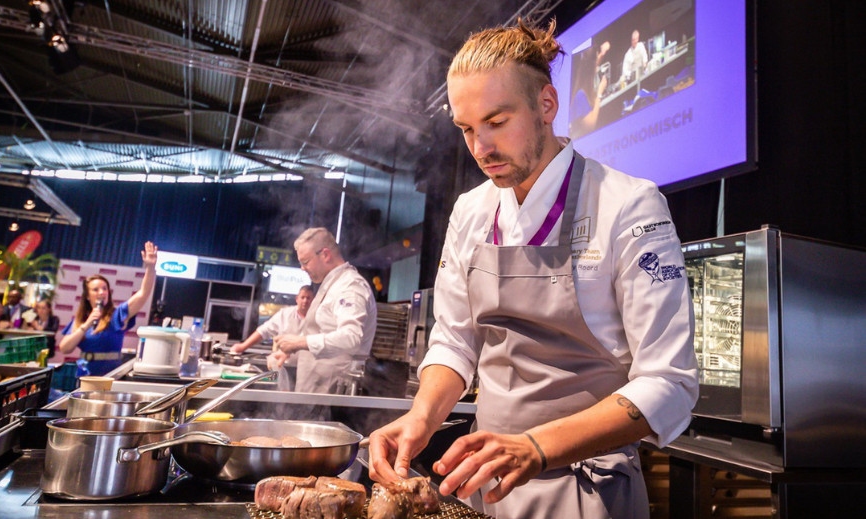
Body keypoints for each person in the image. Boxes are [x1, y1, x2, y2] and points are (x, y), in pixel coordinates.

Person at [367, 20, 698, 519]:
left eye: (497, 122)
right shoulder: (471, 210)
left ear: (547, 104)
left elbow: (670, 382)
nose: (480, 148)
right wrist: (422, 416)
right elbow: (455, 341)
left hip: (588, 490)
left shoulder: (629, 205)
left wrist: (535, 447)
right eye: (466, 129)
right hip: (484, 483)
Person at [269, 228, 377, 395]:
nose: (302, 268)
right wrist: (290, 351)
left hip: (334, 392)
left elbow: (351, 338)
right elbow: (322, 334)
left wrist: (299, 342)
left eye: (305, 261)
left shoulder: (349, 286)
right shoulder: (332, 284)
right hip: (316, 388)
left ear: (325, 255)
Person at [58, 242, 158, 376]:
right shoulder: (81, 320)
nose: (102, 292)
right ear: (87, 296)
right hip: (84, 375)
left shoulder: (117, 315)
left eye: (104, 288)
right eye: (96, 289)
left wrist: (150, 267)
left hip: (110, 375)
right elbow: (65, 348)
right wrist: (86, 325)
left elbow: (143, 293)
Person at [231, 285, 314, 392]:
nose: (305, 301)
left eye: (308, 298)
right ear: (297, 299)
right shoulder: (284, 314)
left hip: (308, 370)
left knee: (302, 401)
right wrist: (243, 346)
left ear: (313, 300)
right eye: (302, 297)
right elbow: (264, 331)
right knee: (281, 398)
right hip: (284, 365)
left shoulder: (318, 317)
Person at [569, 40, 611, 137]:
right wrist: (599, 93)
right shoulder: (580, 96)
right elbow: (590, 126)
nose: (597, 67)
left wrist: (602, 53)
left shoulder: (584, 93)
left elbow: (593, 63)